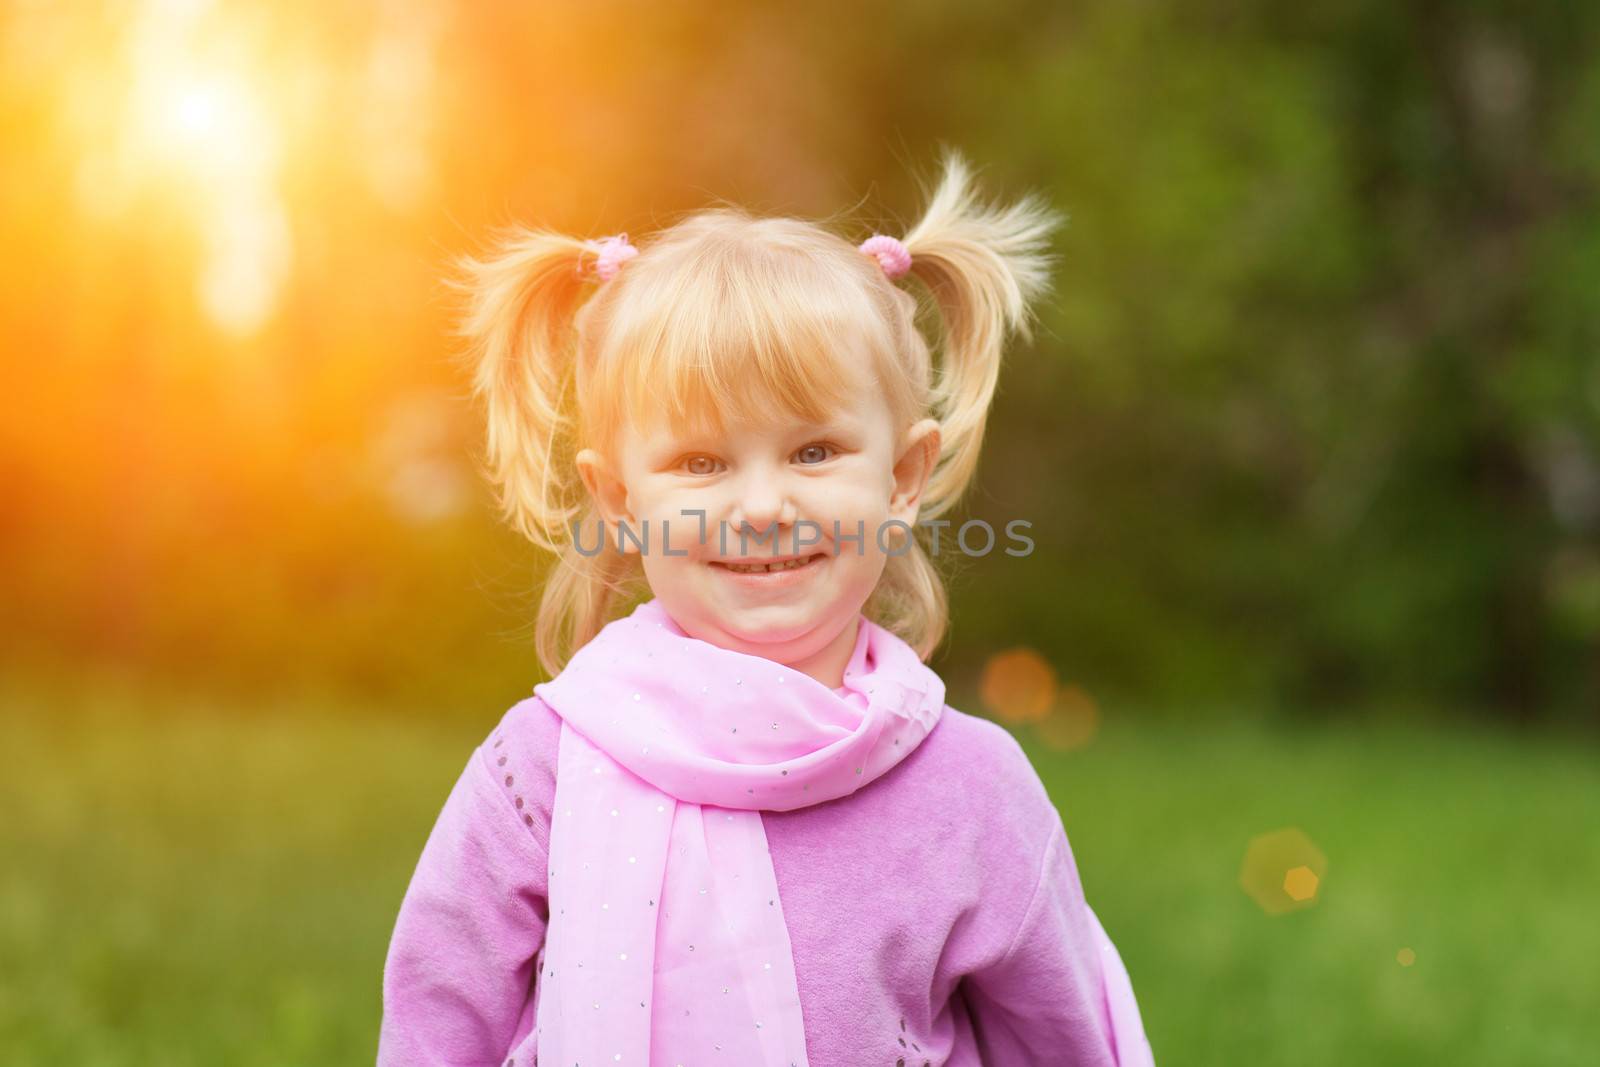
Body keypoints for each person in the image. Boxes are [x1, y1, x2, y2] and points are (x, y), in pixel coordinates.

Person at [376, 149, 1155, 1066]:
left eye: (815, 451)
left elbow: (1064, 1041)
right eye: (702, 463)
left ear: (902, 477)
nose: (760, 506)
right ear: (621, 502)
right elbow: (436, 1026)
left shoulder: (972, 790)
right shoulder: (542, 771)